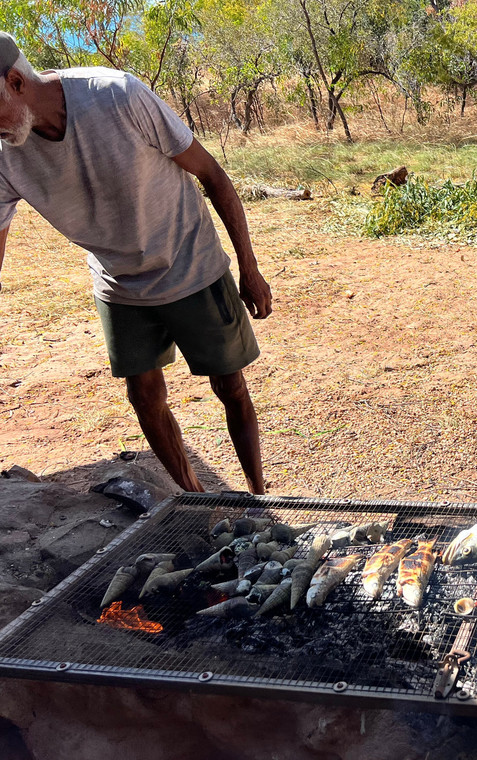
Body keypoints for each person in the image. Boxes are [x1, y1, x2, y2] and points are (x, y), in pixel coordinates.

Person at [0, 32, 273, 494]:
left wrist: (249, 266)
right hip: (118, 281)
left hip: (190, 262)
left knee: (230, 386)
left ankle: (258, 490)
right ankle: (193, 497)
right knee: (145, 396)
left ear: (15, 81)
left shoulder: (116, 95)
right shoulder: (5, 156)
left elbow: (212, 174)